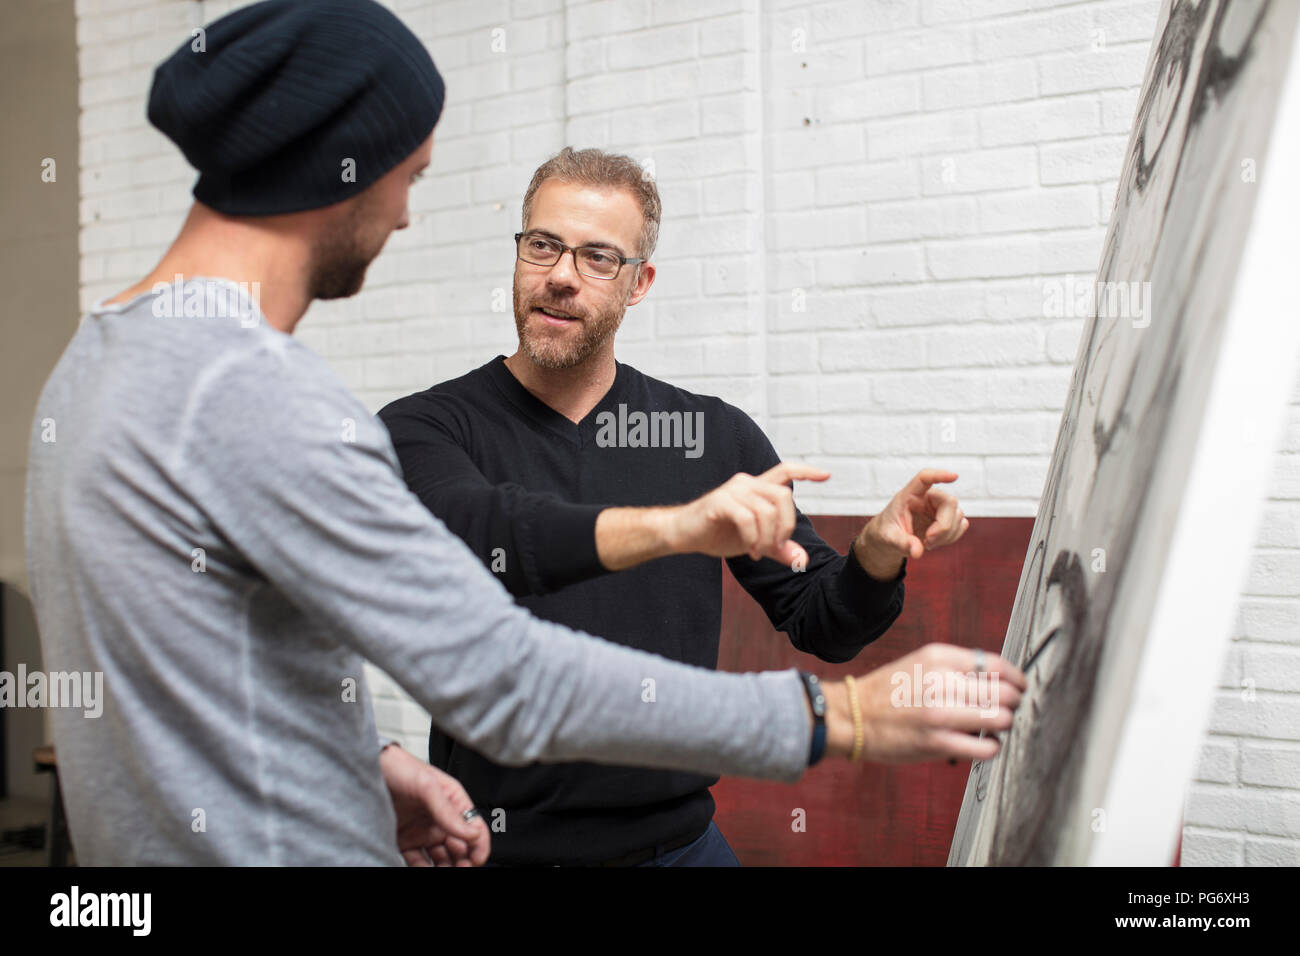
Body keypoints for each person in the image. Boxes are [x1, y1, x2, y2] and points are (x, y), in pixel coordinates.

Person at [25, 0, 1023, 867]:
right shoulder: (271, 398)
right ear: (342, 165)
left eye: (595, 256)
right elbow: (503, 673)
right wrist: (841, 717)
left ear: (638, 283)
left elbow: (211, 668)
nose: (408, 215)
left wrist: (366, 765)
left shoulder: (102, 364)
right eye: (407, 177)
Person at [377, 147, 979, 866]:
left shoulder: (710, 436)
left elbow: (824, 621)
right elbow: (483, 532)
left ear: (639, 284)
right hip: (492, 848)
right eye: (543, 246)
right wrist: (680, 526)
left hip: (680, 847)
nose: (561, 276)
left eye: (599, 258)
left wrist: (877, 555)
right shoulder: (428, 427)